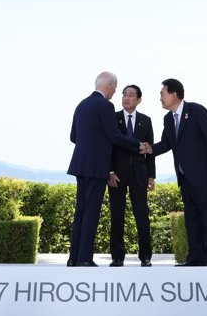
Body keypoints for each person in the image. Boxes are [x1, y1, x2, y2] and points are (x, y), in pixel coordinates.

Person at [67, 71, 149, 267]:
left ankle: (74, 257)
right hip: (96, 167)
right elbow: (114, 136)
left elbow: (74, 137)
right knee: (91, 212)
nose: (115, 92)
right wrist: (138, 145)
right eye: (115, 87)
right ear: (110, 86)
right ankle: (85, 258)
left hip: (80, 164)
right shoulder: (105, 105)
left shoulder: (82, 104)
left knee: (81, 211)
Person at [150, 78, 207, 266]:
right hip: (184, 178)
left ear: (174, 95)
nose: (160, 98)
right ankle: (194, 257)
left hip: (206, 175)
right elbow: (166, 144)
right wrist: (148, 149)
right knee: (192, 220)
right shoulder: (168, 119)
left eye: (162, 94)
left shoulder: (196, 110)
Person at [107, 84, 155, 267]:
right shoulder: (113, 118)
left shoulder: (146, 120)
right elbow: (108, 147)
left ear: (139, 100)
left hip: (139, 175)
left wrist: (152, 176)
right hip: (116, 176)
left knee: (142, 215)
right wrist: (109, 172)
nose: (126, 98)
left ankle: (145, 256)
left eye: (131, 95)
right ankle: (117, 257)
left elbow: (150, 151)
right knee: (116, 216)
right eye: (124, 94)